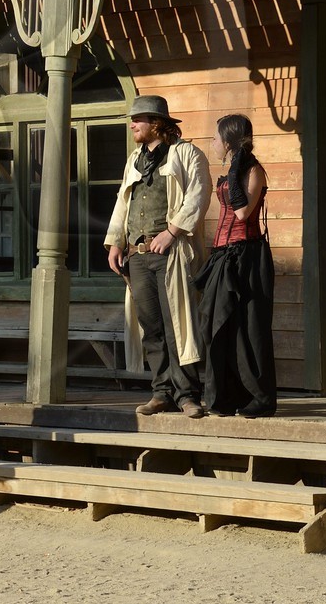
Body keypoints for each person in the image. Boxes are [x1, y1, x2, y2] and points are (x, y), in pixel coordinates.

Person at [105, 95, 212, 419]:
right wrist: (115, 242)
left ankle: (187, 395)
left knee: (177, 323)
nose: (132, 124)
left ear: (157, 123)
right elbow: (125, 202)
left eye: (138, 119)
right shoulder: (135, 159)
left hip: (169, 252)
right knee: (150, 326)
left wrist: (173, 231)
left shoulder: (185, 154)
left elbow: (198, 194)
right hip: (138, 256)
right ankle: (161, 392)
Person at [195, 113, 277, 418]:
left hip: (249, 257)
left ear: (228, 140)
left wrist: (233, 175)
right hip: (223, 255)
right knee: (217, 324)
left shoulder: (254, 171)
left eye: (216, 138)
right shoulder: (233, 168)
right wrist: (231, 171)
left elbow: (242, 214)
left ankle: (260, 398)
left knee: (250, 327)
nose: (213, 143)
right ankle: (225, 396)